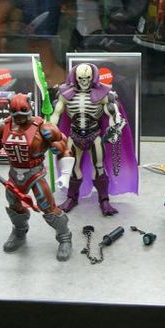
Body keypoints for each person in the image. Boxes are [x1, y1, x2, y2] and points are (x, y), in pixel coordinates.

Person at [0, 93, 75, 261]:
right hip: (14, 174)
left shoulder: (44, 128)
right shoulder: (2, 126)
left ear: (30, 108)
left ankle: (65, 237)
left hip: (35, 174)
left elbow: (63, 149)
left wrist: (66, 175)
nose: (19, 117)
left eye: (24, 112)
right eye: (15, 113)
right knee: (15, 206)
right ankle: (19, 232)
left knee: (48, 207)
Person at [51, 63, 138, 216]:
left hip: (94, 136)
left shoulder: (102, 95)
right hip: (74, 135)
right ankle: (72, 198)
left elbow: (113, 115)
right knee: (73, 167)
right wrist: (50, 130)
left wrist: (115, 128)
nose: (84, 82)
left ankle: (104, 200)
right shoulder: (65, 94)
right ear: (75, 78)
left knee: (99, 167)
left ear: (93, 78)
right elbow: (56, 115)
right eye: (81, 78)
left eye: (87, 78)